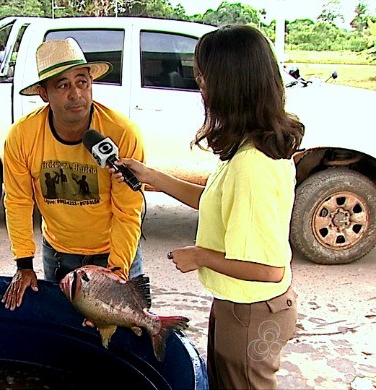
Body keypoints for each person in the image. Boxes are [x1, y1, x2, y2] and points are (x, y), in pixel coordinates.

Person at [113, 25, 304, 389]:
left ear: (229, 83)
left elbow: (268, 270)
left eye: (203, 76)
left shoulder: (253, 164)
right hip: (240, 305)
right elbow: (214, 203)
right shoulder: (255, 145)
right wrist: (151, 176)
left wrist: (200, 255)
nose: (200, 86)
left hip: (251, 311)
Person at [1, 38, 146, 311]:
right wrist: (23, 263)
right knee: (67, 339)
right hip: (58, 257)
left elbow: (128, 211)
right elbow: (18, 202)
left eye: (82, 82)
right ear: (44, 93)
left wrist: (117, 271)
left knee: (128, 336)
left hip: (115, 253)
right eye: (63, 85)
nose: (76, 94)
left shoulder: (121, 133)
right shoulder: (22, 136)